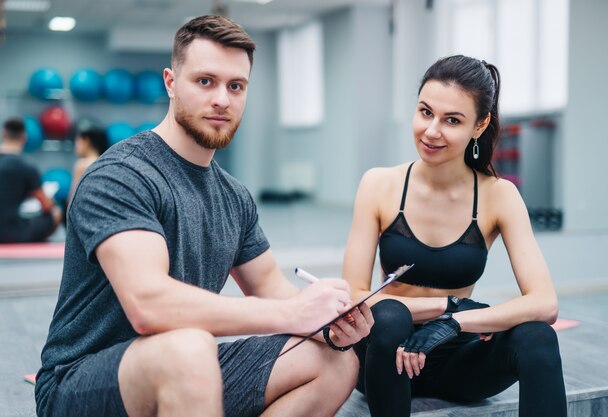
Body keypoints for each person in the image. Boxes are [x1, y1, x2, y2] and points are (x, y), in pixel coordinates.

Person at [35, 15, 373, 417]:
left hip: (185, 369)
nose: (222, 100)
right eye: (205, 81)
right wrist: (293, 313)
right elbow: (149, 306)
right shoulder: (121, 175)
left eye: (236, 86)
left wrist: (330, 323)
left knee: (334, 361)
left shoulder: (234, 196)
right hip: (81, 384)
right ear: (170, 82)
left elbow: (273, 289)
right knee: (189, 346)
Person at [343, 55, 566, 417]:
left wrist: (453, 322)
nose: (432, 130)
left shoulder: (498, 195)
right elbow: (355, 298)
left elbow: (545, 304)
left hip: (458, 359)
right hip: (385, 356)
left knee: (538, 337)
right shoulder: (379, 185)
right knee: (389, 315)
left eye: (452, 120)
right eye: (425, 112)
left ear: (479, 126)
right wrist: (448, 305)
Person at [0, 117, 62, 243]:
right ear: (24, 138)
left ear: (4, 134)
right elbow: (46, 205)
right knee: (56, 213)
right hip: (13, 234)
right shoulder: (27, 167)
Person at [68, 126, 109, 203]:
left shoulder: (82, 164)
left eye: (77, 141)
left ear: (85, 141)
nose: (75, 146)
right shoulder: (106, 162)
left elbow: (72, 199)